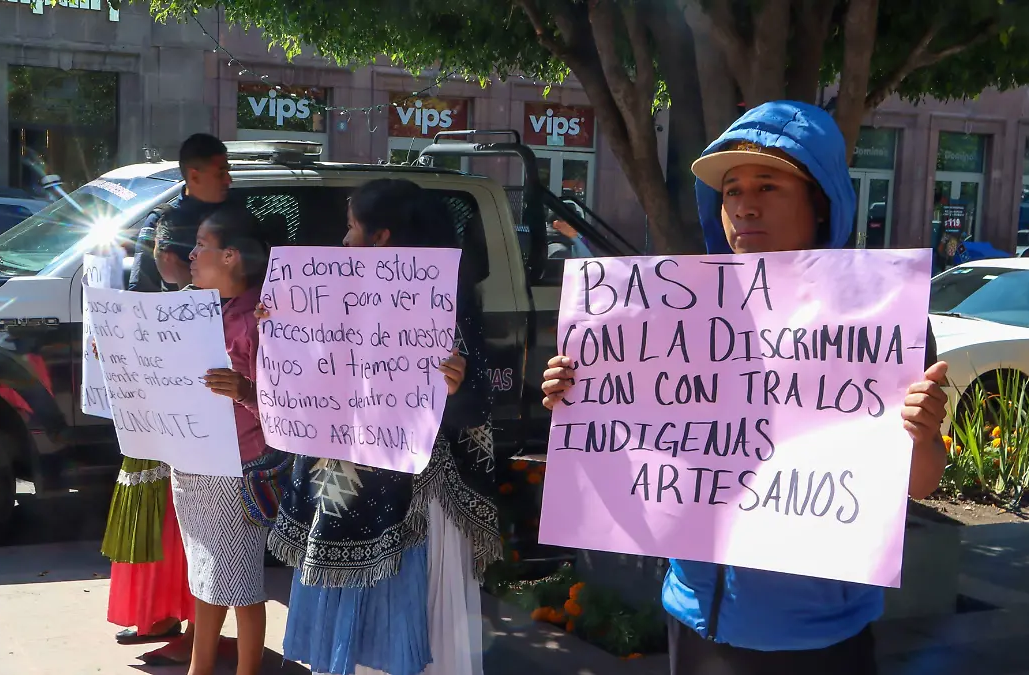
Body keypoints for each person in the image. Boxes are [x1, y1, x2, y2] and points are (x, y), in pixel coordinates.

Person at [540, 101, 950, 675]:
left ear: (821, 202)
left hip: (820, 637)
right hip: (695, 620)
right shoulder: (679, 314)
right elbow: (637, 442)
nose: (745, 205)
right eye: (731, 191)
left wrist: (921, 433)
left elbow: (921, 482)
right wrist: (576, 396)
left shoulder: (881, 319)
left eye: (768, 186)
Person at [265, 178, 501, 675]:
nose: (343, 240)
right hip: (344, 493)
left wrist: (456, 386)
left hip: (416, 505)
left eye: (351, 228)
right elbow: (310, 378)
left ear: (382, 237)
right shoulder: (328, 298)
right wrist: (281, 324)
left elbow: (476, 408)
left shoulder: (442, 305)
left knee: (412, 632)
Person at [172, 205, 272, 675]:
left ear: (230, 256)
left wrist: (245, 391)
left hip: (240, 469)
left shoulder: (263, 318)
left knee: (242, 584)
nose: (190, 255)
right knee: (205, 574)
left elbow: (291, 407)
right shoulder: (191, 310)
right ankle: (201, 667)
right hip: (193, 462)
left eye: (201, 246)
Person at [102, 222, 198, 666]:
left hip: (189, 440)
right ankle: (161, 614)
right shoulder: (169, 303)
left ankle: (195, 633)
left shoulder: (201, 307)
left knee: (185, 534)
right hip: (157, 433)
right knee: (162, 528)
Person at [130, 133, 233, 292]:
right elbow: (140, 290)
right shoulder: (161, 220)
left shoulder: (237, 217)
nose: (228, 180)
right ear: (194, 176)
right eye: (221, 173)